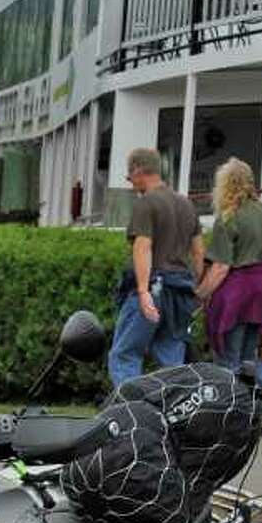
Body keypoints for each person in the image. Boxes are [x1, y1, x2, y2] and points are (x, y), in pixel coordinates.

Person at [196, 157, 262, 431]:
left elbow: (220, 267)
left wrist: (200, 293)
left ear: (225, 185)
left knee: (227, 360)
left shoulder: (228, 217)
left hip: (238, 293)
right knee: (249, 358)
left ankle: (228, 419)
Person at [107, 147, 204, 386]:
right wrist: (200, 292)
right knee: (171, 358)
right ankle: (181, 413)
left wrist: (142, 291)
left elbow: (143, 247)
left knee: (125, 354)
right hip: (180, 291)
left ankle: (131, 411)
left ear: (139, 170)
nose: (131, 184)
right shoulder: (186, 205)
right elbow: (199, 252)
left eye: (130, 177)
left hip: (154, 289)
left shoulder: (147, 203)